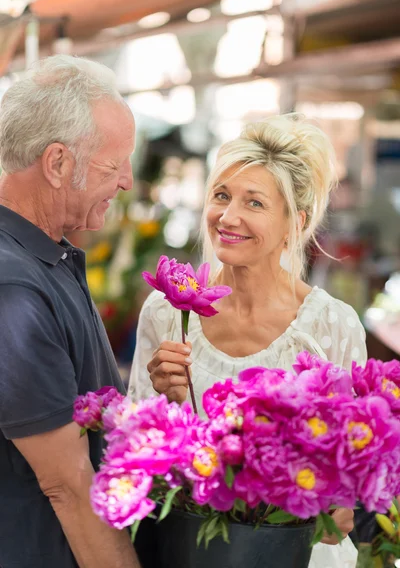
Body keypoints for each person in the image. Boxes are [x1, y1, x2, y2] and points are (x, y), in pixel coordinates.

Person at [129, 114, 367, 568]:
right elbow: (136, 452)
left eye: (254, 203)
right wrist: (167, 401)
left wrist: (339, 498)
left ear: (293, 222)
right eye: (221, 195)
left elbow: (347, 480)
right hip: (187, 550)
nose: (228, 216)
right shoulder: (167, 311)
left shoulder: (331, 325)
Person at [0, 56, 140, 568]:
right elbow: (68, 485)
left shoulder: (44, 254)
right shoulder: (12, 286)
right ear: (57, 163)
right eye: (114, 163)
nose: (126, 181)